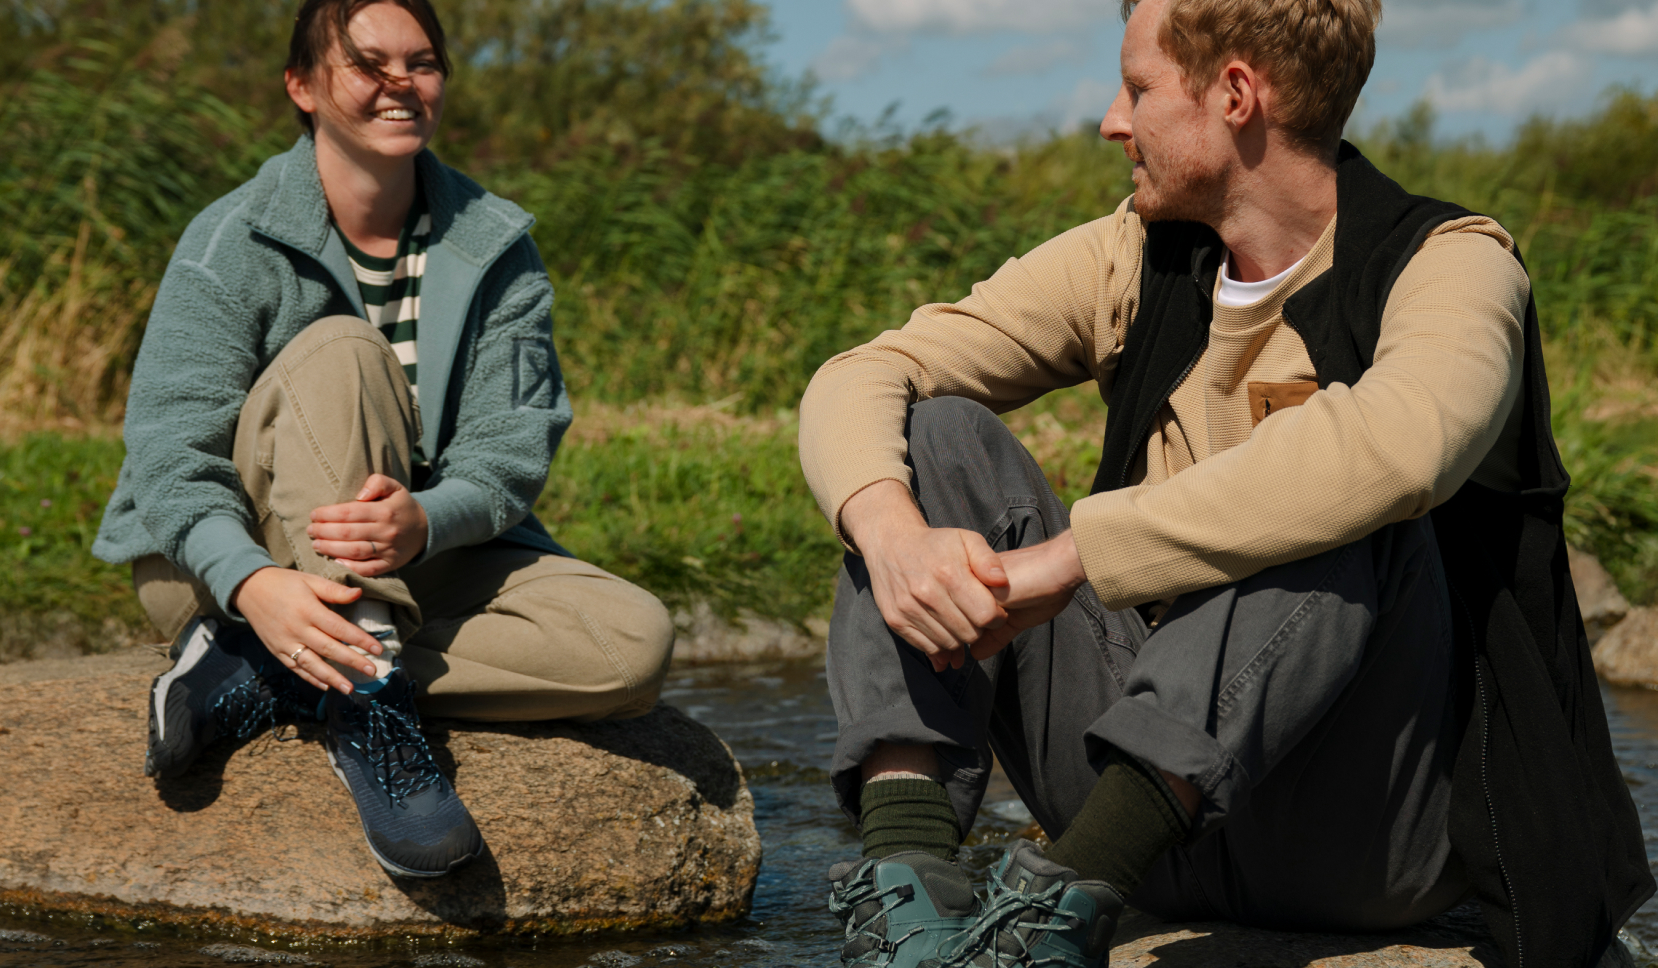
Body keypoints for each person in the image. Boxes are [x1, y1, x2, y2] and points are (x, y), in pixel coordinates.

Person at [799, 0, 1651, 965]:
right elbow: (864, 374)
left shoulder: (1451, 263)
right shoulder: (1135, 252)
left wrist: (1073, 559)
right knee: (934, 437)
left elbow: (1403, 449)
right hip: (1146, 822)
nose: (1111, 121)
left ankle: (1054, 916)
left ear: (1237, 94)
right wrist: (890, 532)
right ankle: (910, 902)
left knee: (1334, 488)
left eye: (1138, 88)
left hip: (1367, 838)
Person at [93, 0, 674, 879]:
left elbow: (509, 450)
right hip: (226, 564)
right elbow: (171, 455)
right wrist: (249, 583)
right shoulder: (230, 238)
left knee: (631, 644)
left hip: (407, 551)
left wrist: (429, 520)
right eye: (368, 64)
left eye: (423, 62)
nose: (401, 84)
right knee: (340, 347)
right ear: (304, 86)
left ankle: (269, 674)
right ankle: (366, 708)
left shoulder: (496, 246)